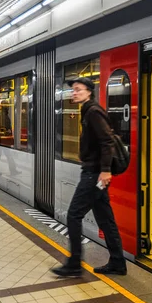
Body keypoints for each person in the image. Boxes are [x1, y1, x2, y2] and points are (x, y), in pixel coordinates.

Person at [51, 77, 127, 277]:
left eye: (78, 90)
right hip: (94, 173)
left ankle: (74, 264)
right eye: (73, 90)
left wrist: (105, 170)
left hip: (94, 175)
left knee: (74, 215)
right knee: (105, 217)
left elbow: (107, 142)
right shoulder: (88, 111)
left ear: (88, 92)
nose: (74, 93)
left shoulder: (93, 111)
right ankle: (118, 262)